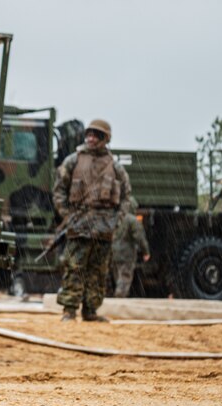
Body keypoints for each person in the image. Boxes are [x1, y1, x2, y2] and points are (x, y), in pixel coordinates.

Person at [52, 119, 131, 322]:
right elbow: (59, 190)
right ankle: (69, 310)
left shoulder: (115, 167)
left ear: (105, 139)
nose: (91, 138)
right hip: (79, 224)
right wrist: (67, 215)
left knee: (98, 271)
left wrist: (116, 220)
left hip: (104, 228)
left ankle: (91, 310)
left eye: (96, 135)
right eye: (89, 134)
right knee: (74, 267)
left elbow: (126, 198)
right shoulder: (73, 161)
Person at [111, 197, 150, 297]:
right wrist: (146, 252)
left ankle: (119, 297)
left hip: (114, 253)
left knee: (118, 277)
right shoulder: (132, 220)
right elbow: (139, 237)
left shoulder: (115, 218)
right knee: (124, 277)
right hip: (127, 254)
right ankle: (120, 298)